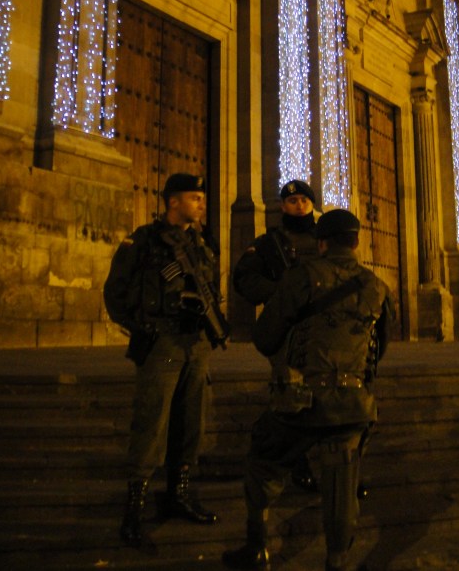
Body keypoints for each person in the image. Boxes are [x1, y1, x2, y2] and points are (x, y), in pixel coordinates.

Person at [223, 209, 394, 571]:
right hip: (353, 404)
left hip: (301, 403)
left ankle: (257, 547)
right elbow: (382, 345)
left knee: (263, 457)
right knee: (343, 482)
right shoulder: (376, 286)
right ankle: (337, 561)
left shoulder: (302, 277)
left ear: (321, 242)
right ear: (356, 241)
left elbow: (265, 338)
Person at [104, 173, 222, 548]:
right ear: (173, 202)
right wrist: (141, 328)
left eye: (201, 198)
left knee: (190, 421)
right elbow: (115, 292)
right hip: (163, 342)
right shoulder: (143, 241)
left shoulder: (202, 244)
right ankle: (135, 508)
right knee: (151, 423)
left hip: (195, 343)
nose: (201, 204)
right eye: (194, 198)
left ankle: (178, 494)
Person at [232, 179, 319, 492]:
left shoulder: (325, 240)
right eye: (292, 201)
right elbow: (243, 278)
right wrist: (278, 295)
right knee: (290, 394)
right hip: (287, 330)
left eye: (304, 201)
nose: (298, 206)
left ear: (312, 204)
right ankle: (297, 462)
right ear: (283, 206)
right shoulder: (270, 243)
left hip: (322, 330)